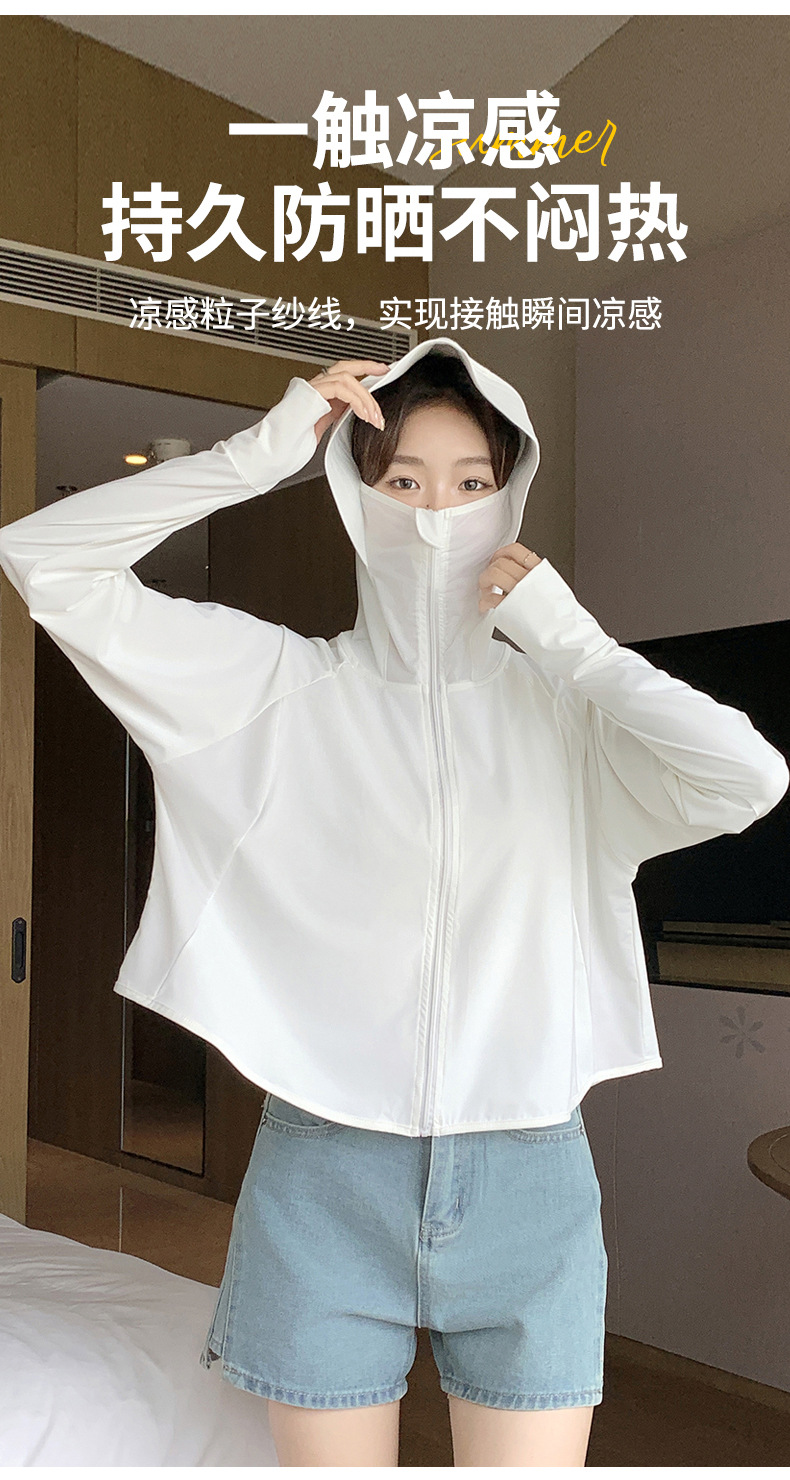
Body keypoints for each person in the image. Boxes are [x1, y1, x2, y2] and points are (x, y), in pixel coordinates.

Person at [0, 342, 786, 1468]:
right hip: (323, 1168)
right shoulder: (269, 688)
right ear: (353, 498)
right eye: (403, 479)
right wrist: (254, 456)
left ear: (509, 499)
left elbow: (749, 777)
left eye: (471, 482)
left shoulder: (570, 714)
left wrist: (572, 645)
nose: (436, 512)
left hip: (528, 1171)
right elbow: (42, 557)